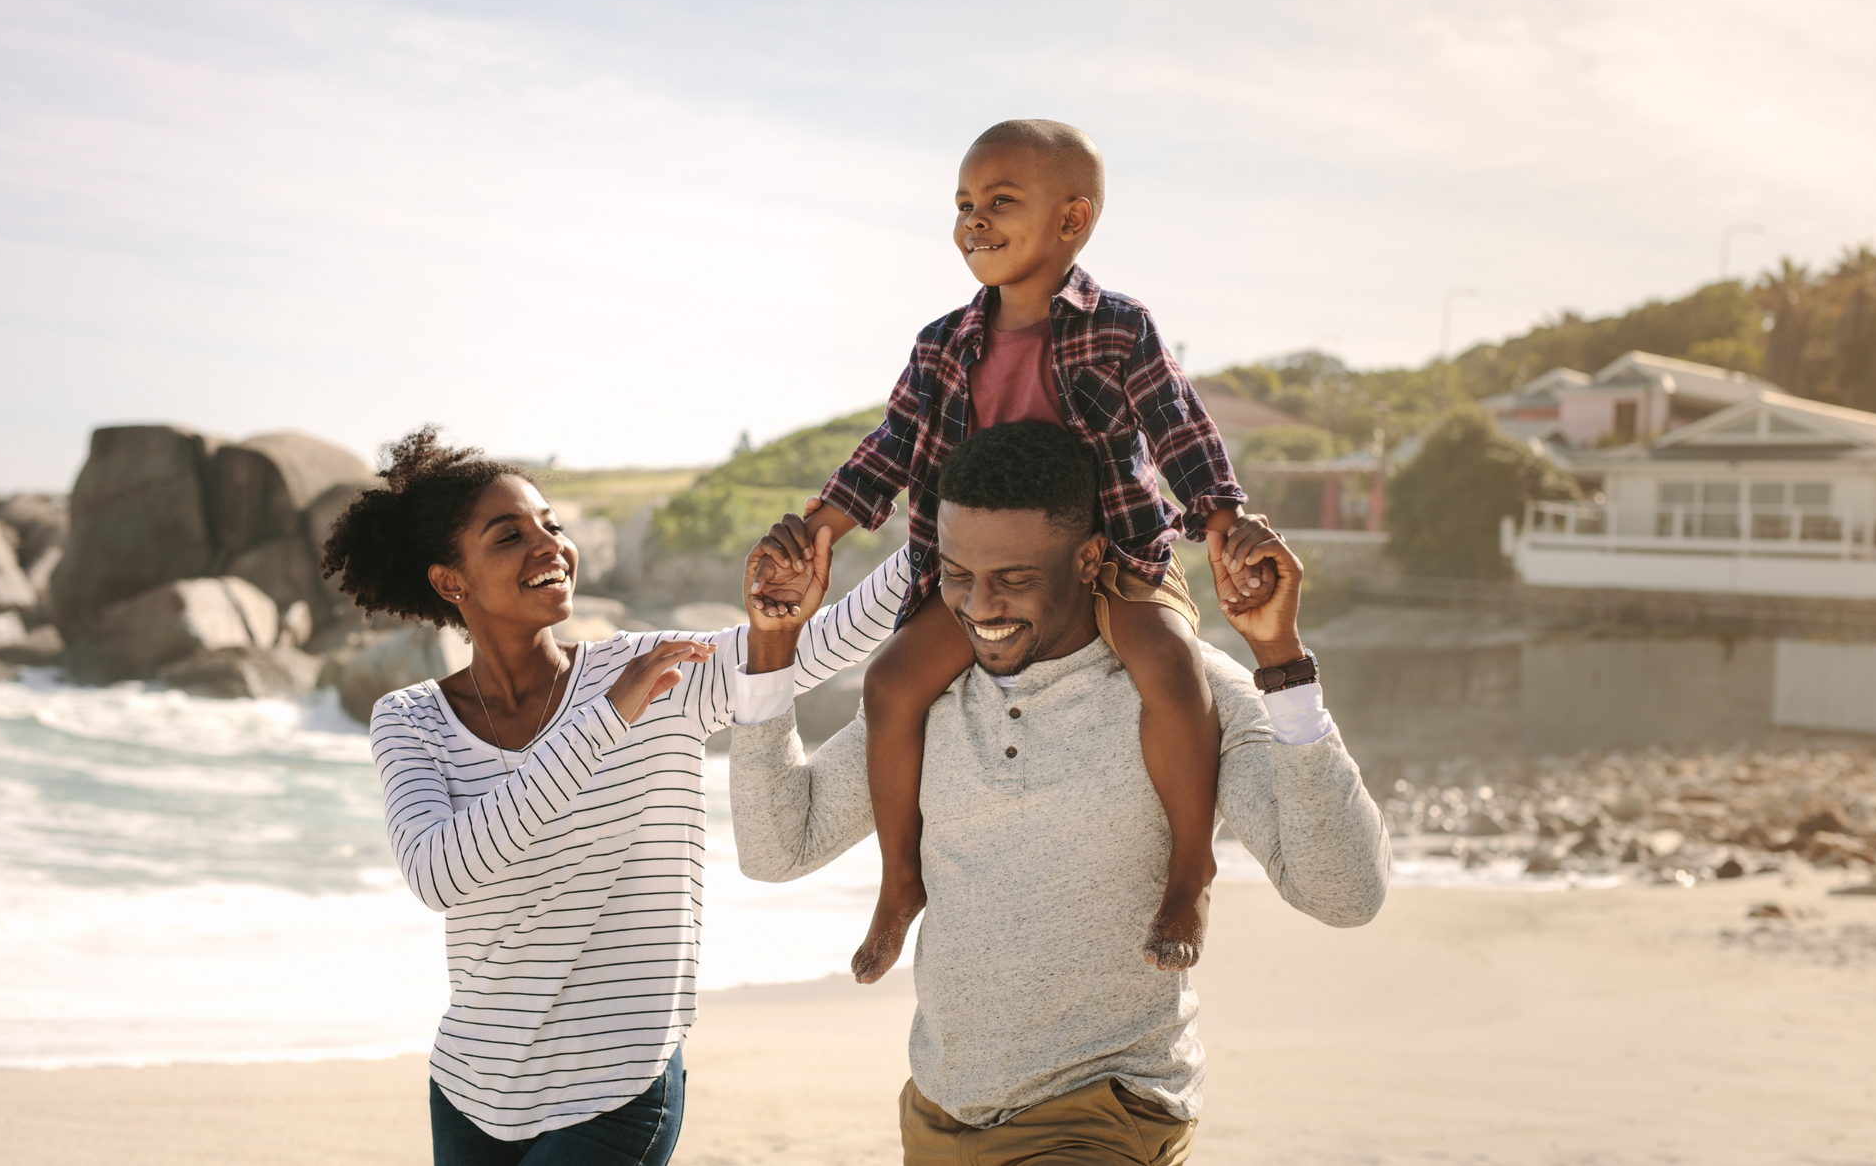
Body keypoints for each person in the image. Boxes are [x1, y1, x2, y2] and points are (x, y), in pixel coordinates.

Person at [729, 421, 1389, 1164]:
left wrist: (1279, 657)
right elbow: (775, 849)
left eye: (1013, 578)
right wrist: (772, 649)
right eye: (956, 574)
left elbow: (1346, 893)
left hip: (1104, 1112)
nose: (979, 605)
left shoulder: (1188, 697)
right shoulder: (928, 700)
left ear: (1087, 558)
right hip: (941, 1110)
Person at [749, 118, 1284, 984]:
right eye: (963, 204)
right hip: (981, 577)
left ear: (1073, 221)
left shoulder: (1117, 328)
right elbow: (890, 445)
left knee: (1173, 670)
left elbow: (1178, 427)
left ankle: (1191, 873)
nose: (974, 221)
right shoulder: (942, 342)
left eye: (1001, 202)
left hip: (1110, 556)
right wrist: (824, 523)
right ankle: (898, 882)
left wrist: (1221, 518)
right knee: (888, 684)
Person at [319, 426, 909, 1165]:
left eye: (552, 526)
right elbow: (443, 873)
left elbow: (822, 639)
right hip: (473, 1090)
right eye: (509, 536)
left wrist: (954, 527)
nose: (550, 547)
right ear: (451, 581)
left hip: (617, 1086)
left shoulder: (653, 669)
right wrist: (606, 720)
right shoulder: (411, 720)